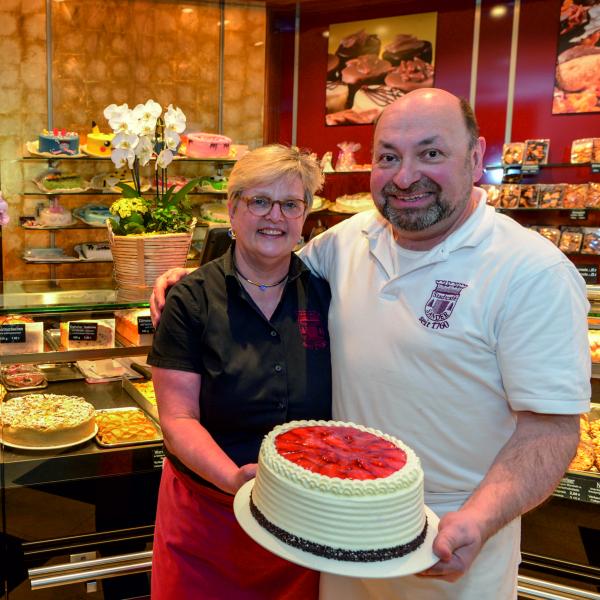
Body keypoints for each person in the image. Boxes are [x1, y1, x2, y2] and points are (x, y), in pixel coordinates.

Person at [151, 89, 590, 599]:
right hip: (336, 532)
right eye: (388, 157)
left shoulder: (532, 271)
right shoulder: (347, 241)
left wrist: (478, 520)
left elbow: (552, 429)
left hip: (449, 543)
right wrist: (189, 281)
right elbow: (262, 266)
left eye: (431, 153)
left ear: (475, 157)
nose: (405, 177)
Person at [147, 144, 332, 600]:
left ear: (305, 214)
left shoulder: (328, 292)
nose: (276, 216)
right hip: (207, 519)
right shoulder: (190, 299)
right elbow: (178, 420)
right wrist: (234, 480)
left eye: (291, 204)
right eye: (259, 201)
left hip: (301, 519)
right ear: (232, 209)